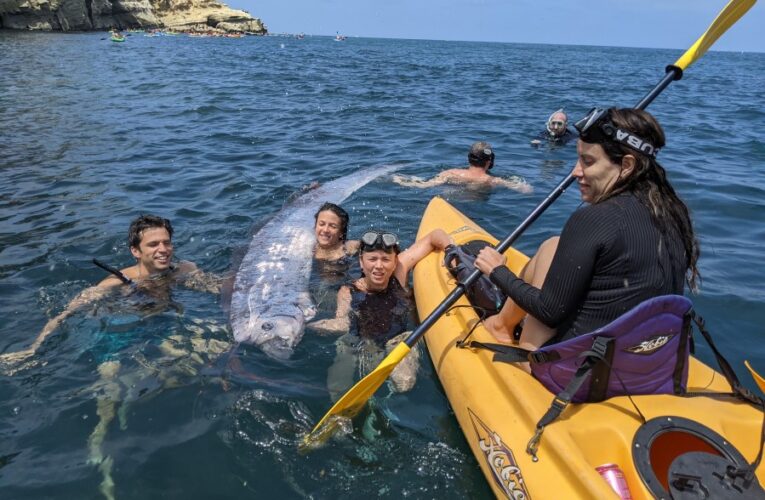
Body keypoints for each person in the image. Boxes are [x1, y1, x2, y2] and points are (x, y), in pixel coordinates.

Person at [475, 108, 699, 370]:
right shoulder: (673, 213)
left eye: (588, 162)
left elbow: (549, 310)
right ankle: (503, 325)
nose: (575, 172)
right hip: (650, 366)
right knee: (552, 246)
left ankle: (511, 340)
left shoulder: (593, 218)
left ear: (627, 165)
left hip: (582, 376)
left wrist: (498, 271)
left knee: (546, 281)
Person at [0, 214, 220, 365]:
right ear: (135, 251)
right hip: (132, 330)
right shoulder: (115, 282)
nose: (163, 250)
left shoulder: (184, 269)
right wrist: (33, 348)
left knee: (218, 345)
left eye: (167, 242)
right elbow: (67, 312)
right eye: (153, 245)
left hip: (172, 318)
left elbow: (215, 286)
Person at [309, 228, 452, 399]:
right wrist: (309, 326)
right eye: (372, 259)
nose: (379, 266)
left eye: (385, 259)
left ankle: (386, 402)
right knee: (340, 379)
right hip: (360, 341)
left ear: (394, 262)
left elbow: (434, 236)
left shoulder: (399, 272)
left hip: (398, 339)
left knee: (404, 382)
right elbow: (342, 321)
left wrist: (451, 250)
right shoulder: (348, 290)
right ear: (362, 262)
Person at [393, 141, 532, 193]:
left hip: (451, 198)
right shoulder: (492, 180)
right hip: (475, 205)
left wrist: (400, 180)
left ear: (469, 158)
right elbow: (527, 190)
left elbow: (424, 185)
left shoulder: (451, 173)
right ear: (489, 161)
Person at [313, 202, 360, 267]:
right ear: (315, 226)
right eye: (322, 224)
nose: (325, 230)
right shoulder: (308, 248)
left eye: (333, 226)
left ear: (341, 232)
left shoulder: (349, 247)